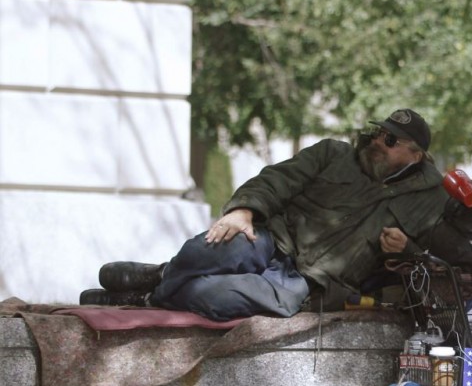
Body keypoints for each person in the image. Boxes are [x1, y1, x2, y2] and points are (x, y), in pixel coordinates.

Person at [80, 108, 449, 320]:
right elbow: (277, 179)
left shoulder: (431, 201)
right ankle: (161, 274)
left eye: (390, 140)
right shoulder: (333, 154)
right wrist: (243, 210)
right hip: (272, 238)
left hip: (308, 282)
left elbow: (434, 259)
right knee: (206, 250)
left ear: (415, 155)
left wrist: (405, 250)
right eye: (378, 133)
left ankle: (147, 298)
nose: (377, 142)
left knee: (212, 295)